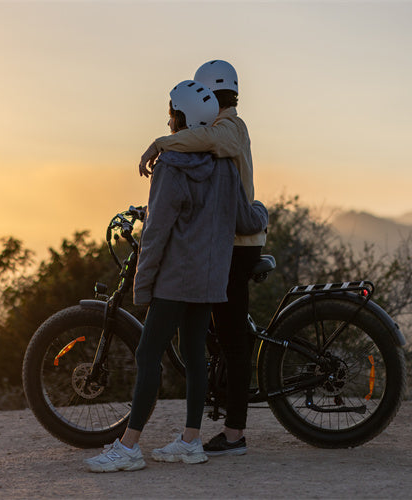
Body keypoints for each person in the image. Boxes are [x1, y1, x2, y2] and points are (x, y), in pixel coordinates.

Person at [84, 80, 268, 473]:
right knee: (194, 356)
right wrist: (263, 214)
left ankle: (129, 446)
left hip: (174, 277)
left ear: (178, 117)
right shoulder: (223, 167)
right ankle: (190, 440)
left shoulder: (169, 165)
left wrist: (144, 283)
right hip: (208, 280)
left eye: (170, 111)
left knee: (148, 354)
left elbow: (156, 232)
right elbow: (244, 218)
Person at [139, 60, 264, 456]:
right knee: (209, 338)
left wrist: (161, 143)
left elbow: (203, 141)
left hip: (237, 242)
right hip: (231, 236)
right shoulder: (222, 127)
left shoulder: (227, 129)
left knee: (231, 341)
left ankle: (234, 434)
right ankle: (202, 426)